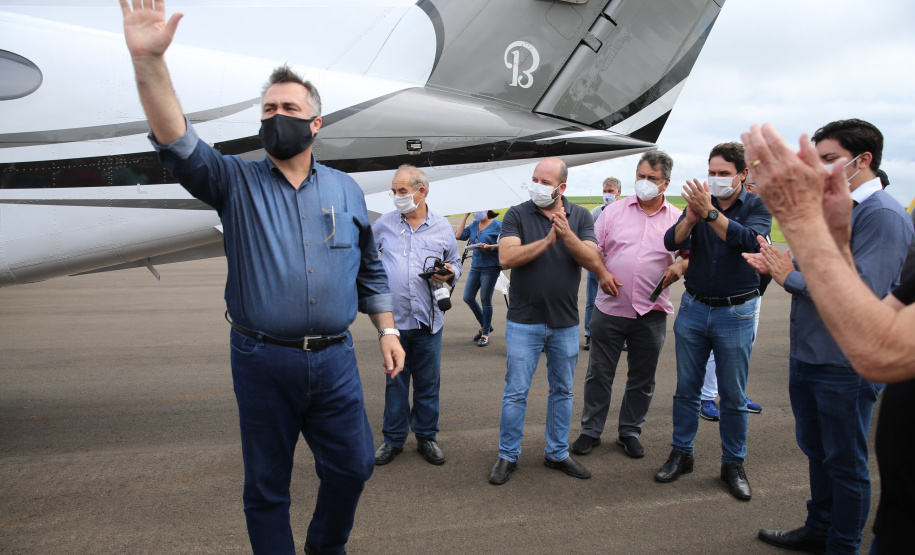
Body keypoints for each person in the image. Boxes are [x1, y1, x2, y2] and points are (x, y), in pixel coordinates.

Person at [119, 4, 405, 554]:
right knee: (267, 487)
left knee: (352, 468)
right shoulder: (234, 182)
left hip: (334, 359)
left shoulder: (346, 190)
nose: (277, 116)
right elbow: (179, 145)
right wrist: (149, 62)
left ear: (315, 122)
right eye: (268, 108)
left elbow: (368, 266)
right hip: (261, 359)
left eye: (289, 107)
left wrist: (387, 330)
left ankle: (326, 547)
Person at [742, 121, 915, 555]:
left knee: (846, 464)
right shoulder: (834, 208)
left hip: (844, 364)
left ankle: (842, 544)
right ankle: (819, 527)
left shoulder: (884, 216)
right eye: (815, 160)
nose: (820, 170)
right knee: (818, 452)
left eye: (830, 160)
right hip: (811, 354)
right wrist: (782, 265)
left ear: (865, 160)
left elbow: (868, 294)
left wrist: (790, 277)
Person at [658, 142, 771, 501]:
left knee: (733, 396)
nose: (717, 179)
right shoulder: (699, 205)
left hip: (736, 311)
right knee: (686, 390)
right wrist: (691, 217)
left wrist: (709, 214)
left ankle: (733, 464)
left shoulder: (756, 206)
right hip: (694, 308)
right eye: (712, 172)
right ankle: (682, 453)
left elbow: (749, 242)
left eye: (724, 173)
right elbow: (670, 240)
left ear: (742, 174)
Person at [487, 157, 605, 485]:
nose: (537, 186)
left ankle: (557, 453)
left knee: (563, 391)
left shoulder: (579, 216)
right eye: (535, 179)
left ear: (561, 187)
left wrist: (566, 235)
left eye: (545, 181)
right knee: (516, 392)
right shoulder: (517, 214)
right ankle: (508, 455)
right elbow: (507, 257)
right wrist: (548, 241)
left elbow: (592, 259)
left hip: (565, 322)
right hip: (525, 321)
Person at [570, 152, 686, 460]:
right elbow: (592, 250)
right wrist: (602, 272)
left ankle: (630, 431)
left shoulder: (677, 218)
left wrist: (682, 267)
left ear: (666, 183)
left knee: (643, 376)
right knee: (599, 373)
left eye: (652, 178)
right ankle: (591, 430)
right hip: (609, 308)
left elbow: (691, 253)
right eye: (641, 176)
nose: (644, 183)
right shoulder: (614, 212)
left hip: (652, 311)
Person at [372, 165, 462, 467]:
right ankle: (393, 439)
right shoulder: (384, 224)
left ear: (420, 191)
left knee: (427, 382)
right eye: (394, 191)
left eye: (402, 191)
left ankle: (426, 436)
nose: (396, 197)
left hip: (428, 320)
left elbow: (454, 262)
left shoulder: (441, 226)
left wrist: (449, 273)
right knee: (395, 381)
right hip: (394, 323)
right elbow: (368, 261)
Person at [699, 173, 767, 422]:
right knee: (716, 352)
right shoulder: (733, 217)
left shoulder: (760, 218)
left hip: (753, 296)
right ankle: (707, 397)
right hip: (728, 298)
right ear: (748, 186)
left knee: (743, 349)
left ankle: (736, 394)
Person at [583, 177, 621, 350]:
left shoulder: (625, 211)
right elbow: (588, 235)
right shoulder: (596, 212)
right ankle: (590, 335)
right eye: (605, 191)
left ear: (618, 192)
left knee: (619, 300)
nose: (607, 194)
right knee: (592, 300)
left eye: (611, 191)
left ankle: (620, 336)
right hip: (596, 263)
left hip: (616, 264)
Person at [455, 210, 502, 346]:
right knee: (467, 297)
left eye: (478, 210)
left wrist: (490, 247)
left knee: (485, 300)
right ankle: (485, 324)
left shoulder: (498, 225)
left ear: (487, 210)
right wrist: (465, 216)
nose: (476, 212)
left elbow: (506, 242)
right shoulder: (475, 224)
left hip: (491, 267)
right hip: (476, 266)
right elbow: (458, 235)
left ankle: (485, 333)